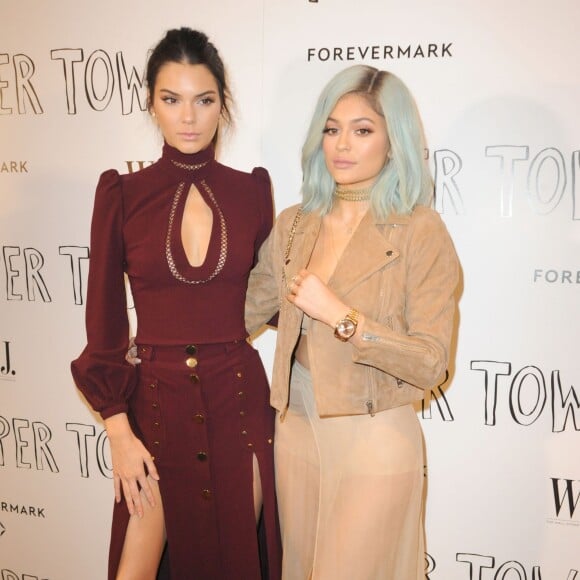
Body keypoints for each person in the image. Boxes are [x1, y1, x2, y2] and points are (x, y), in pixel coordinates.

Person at [71, 28, 281, 580]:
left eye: (204, 100)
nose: (189, 117)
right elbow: (105, 323)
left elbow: (271, 301)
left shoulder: (253, 191)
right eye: (172, 99)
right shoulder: (121, 194)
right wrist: (118, 430)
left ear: (222, 105)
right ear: (151, 104)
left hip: (239, 403)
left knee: (238, 564)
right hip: (155, 411)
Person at [245, 64, 460, 579]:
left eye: (363, 130)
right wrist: (158, 337)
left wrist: (344, 318)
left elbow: (432, 362)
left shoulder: (419, 229)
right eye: (332, 128)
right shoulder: (295, 224)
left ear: (394, 141)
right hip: (296, 431)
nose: (342, 144)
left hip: (375, 437)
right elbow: (242, 309)